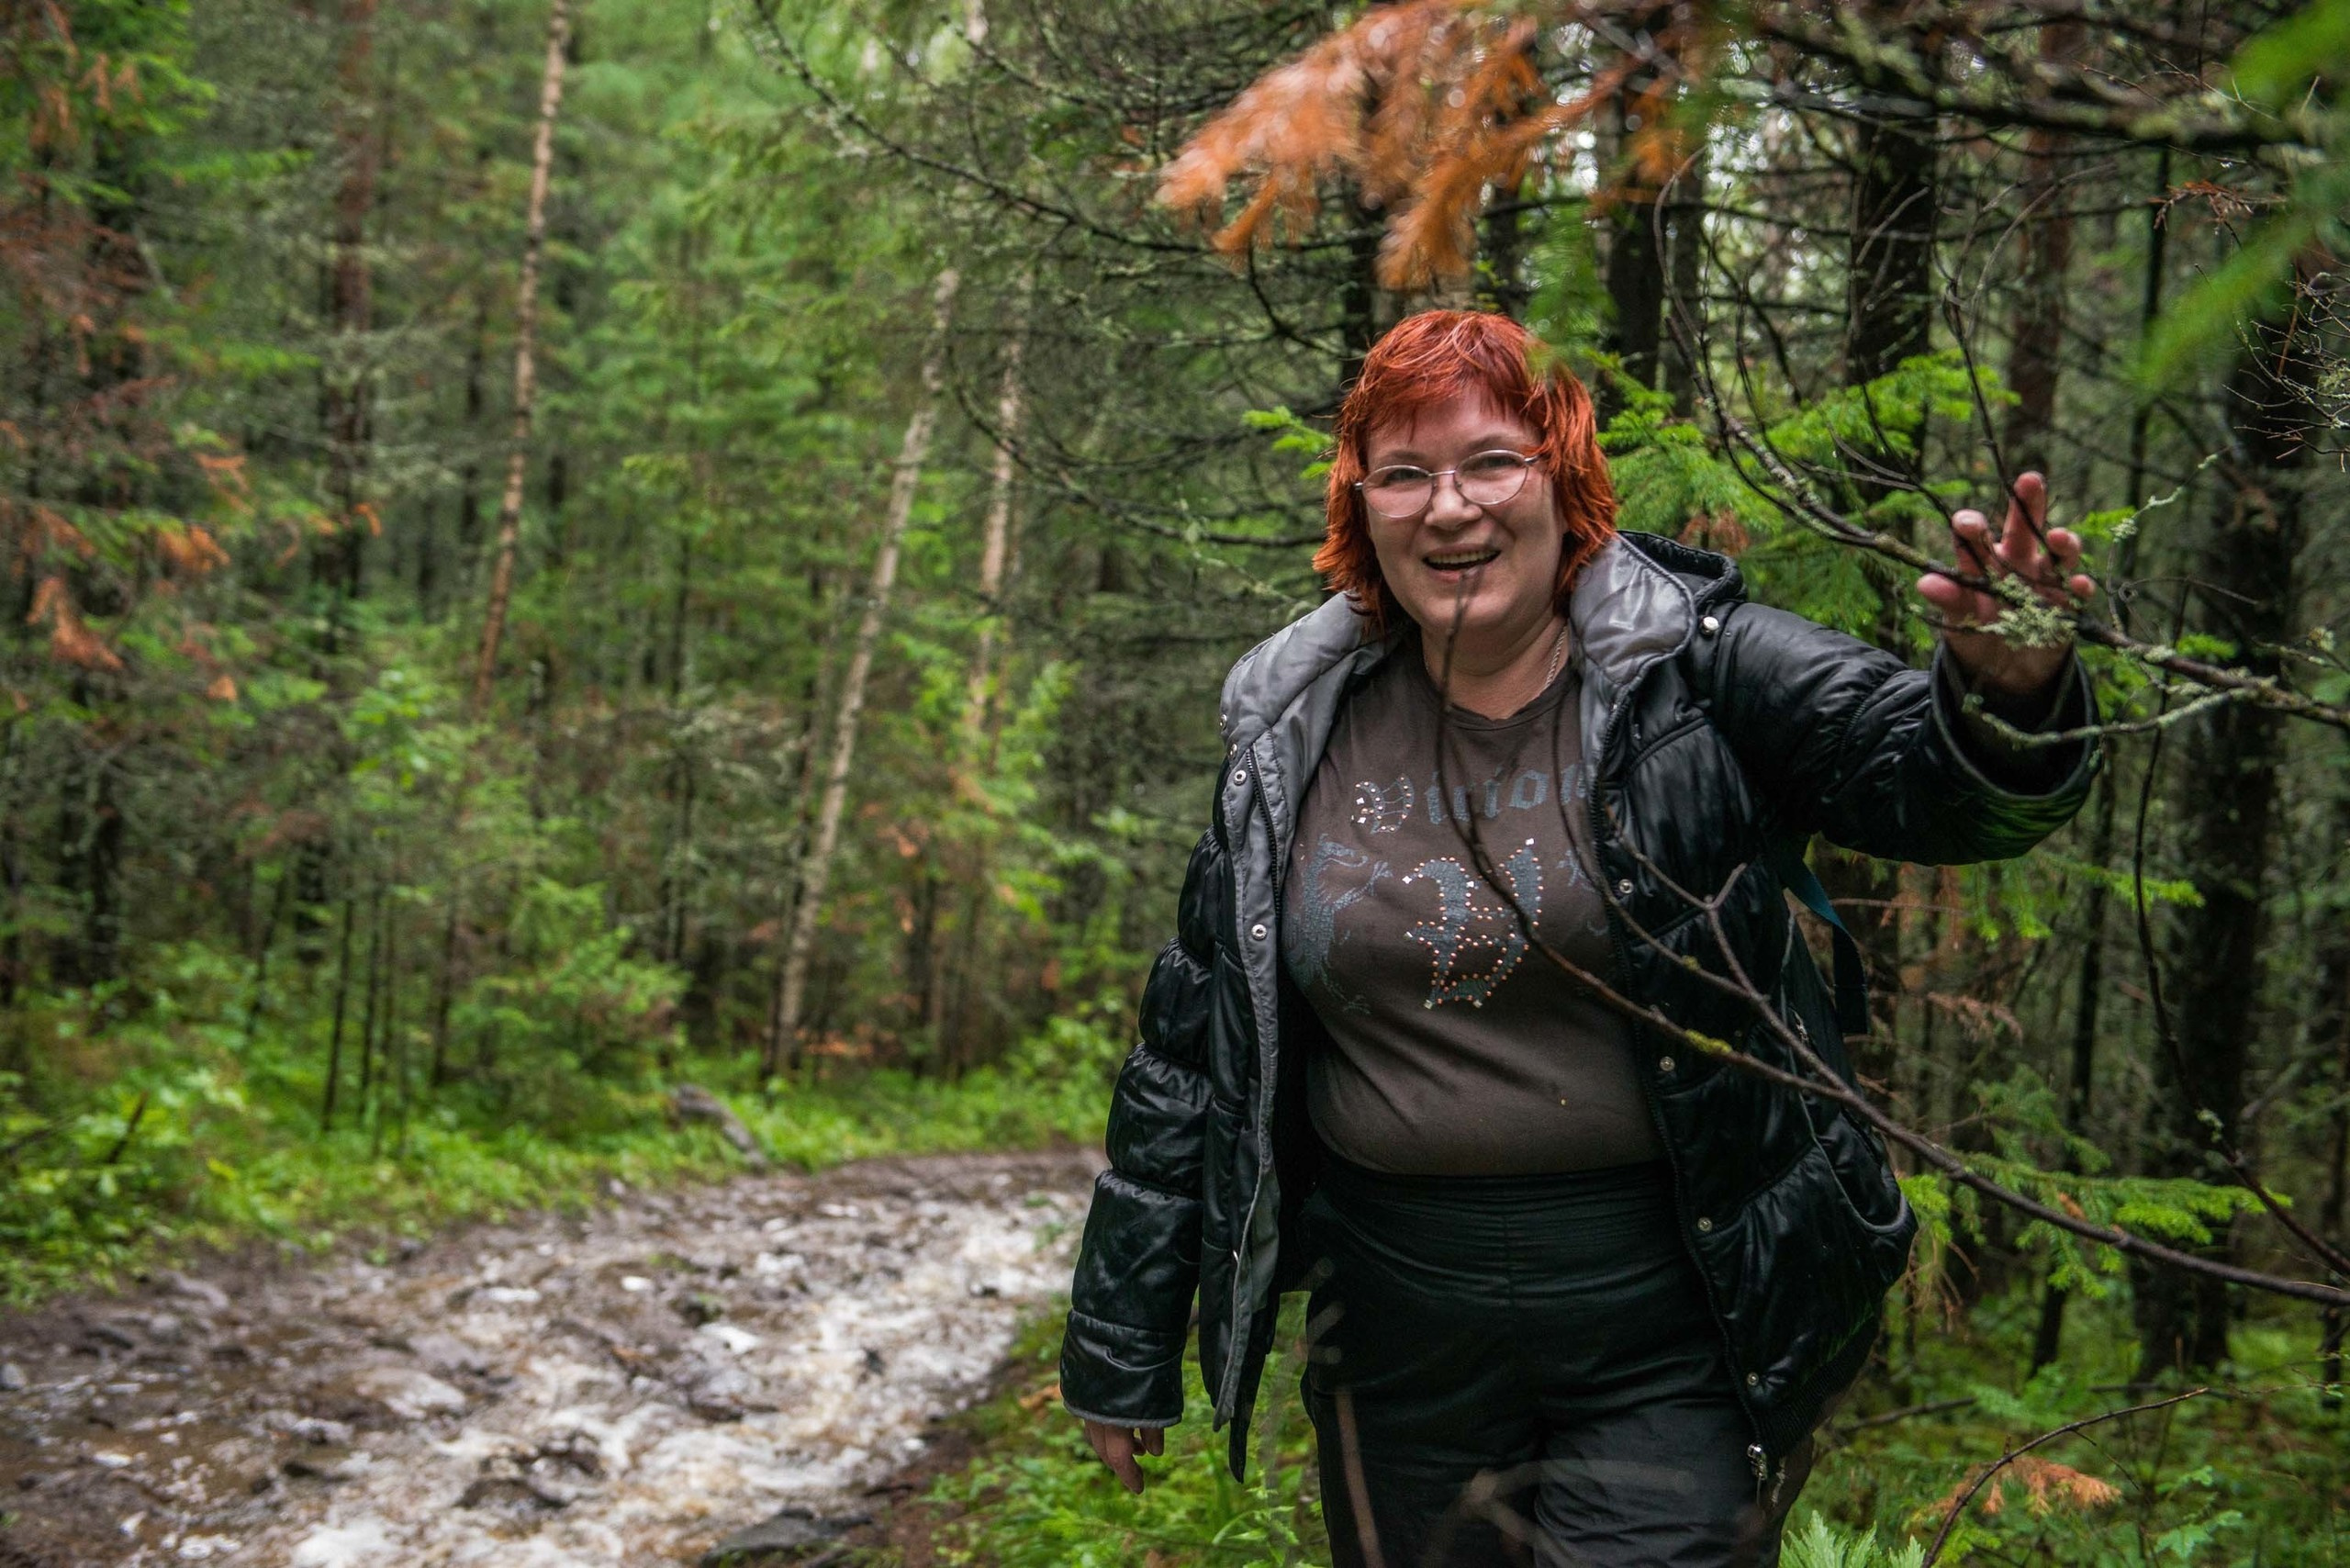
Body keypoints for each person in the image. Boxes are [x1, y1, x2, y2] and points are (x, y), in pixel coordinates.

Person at [1057, 309, 2098, 1567]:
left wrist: (2005, 691)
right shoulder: (1293, 722)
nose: (1450, 507)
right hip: (1394, 1343)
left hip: (1671, 1325)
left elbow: (1932, 785)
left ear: (1566, 482)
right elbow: (1188, 1054)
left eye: (1492, 461)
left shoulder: (1695, 669)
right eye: (1404, 472)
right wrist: (1120, 1344)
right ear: (1362, 507)